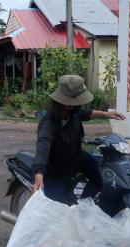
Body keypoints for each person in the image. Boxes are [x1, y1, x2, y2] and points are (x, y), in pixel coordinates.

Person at [32, 75, 125, 203]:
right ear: (67, 104)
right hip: (55, 171)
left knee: (104, 176)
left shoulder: (73, 113)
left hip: (76, 157)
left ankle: (83, 205)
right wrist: (38, 175)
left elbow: (87, 113)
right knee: (58, 209)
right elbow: (42, 148)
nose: (81, 104)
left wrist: (107, 114)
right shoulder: (48, 123)